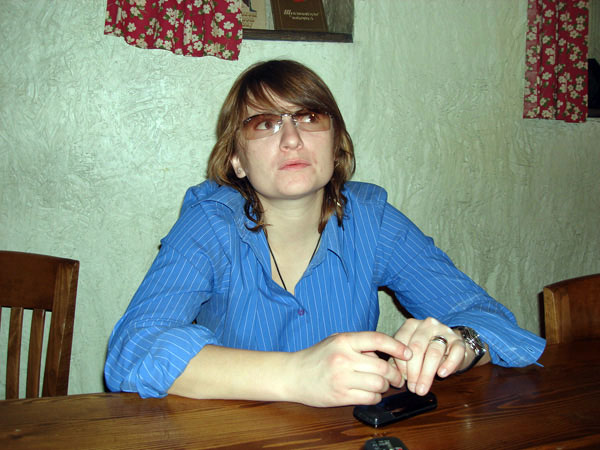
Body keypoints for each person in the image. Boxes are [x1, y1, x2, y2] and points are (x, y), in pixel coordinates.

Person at [104, 60, 545, 407]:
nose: (292, 139)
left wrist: (461, 343)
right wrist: (297, 375)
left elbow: (488, 317)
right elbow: (133, 347)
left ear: (335, 146)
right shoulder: (209, 223)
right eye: (264, 123)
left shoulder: (372, 221)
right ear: (236, 159)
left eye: (309, 117)